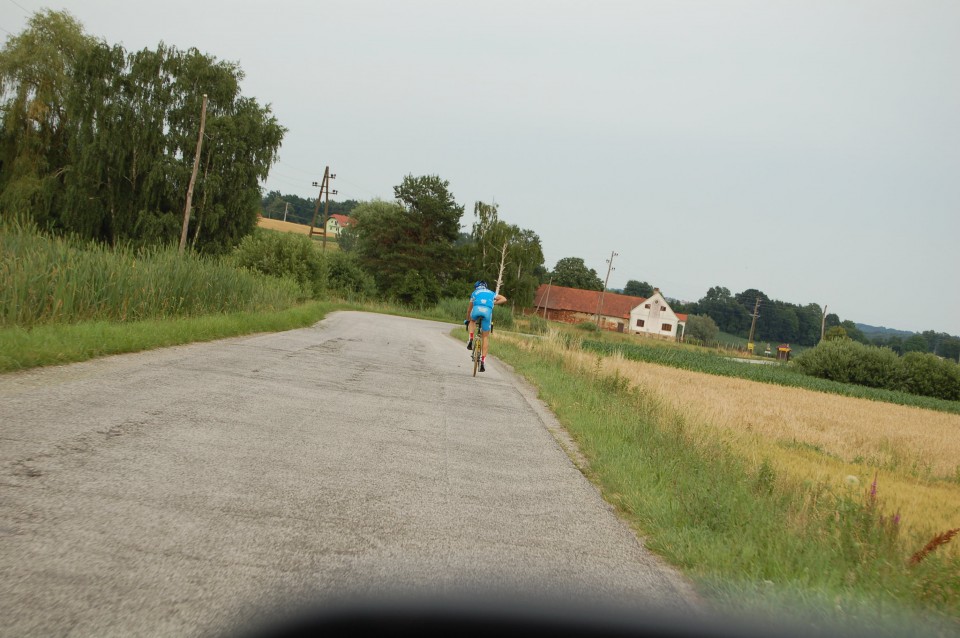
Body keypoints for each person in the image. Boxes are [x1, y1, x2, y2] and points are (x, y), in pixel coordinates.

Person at [465, 281, 507, 372]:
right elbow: (504, 299)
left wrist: (467, 320)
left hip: (476, 310)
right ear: (485, 287)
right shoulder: (491, 293)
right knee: (485, 337)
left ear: (476, 287)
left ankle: (471, 339)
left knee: (472, 321)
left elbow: (469, 310)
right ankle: (483, 361)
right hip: (487, 312)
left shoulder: (475, 293)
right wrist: (493, 302)